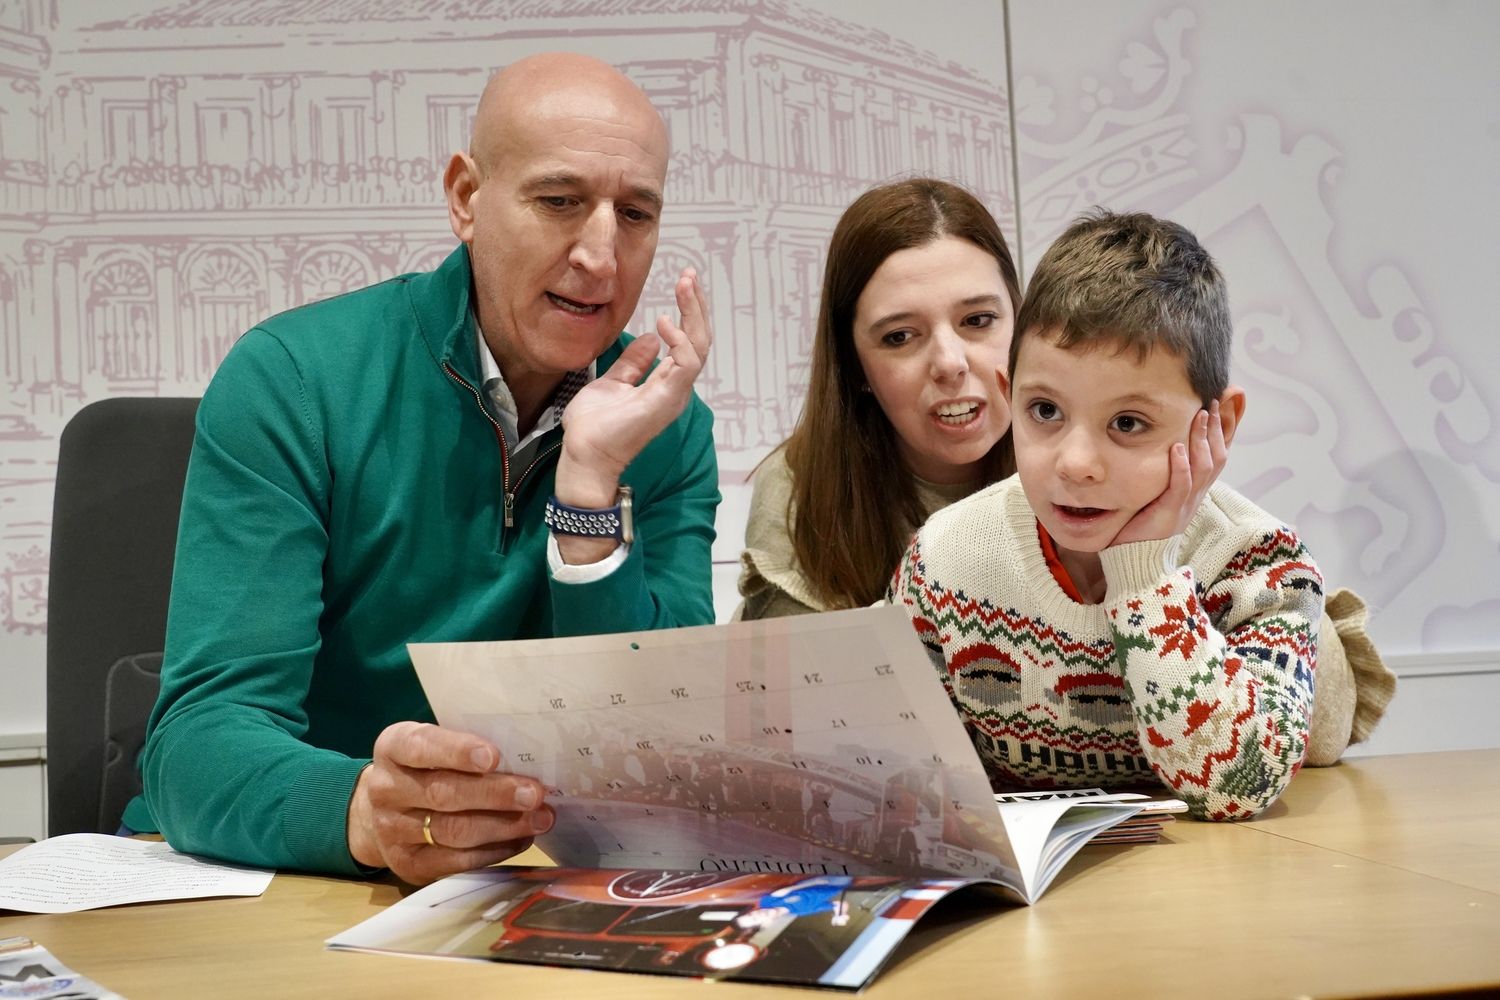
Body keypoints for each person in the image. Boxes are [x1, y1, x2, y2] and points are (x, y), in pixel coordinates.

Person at [127, 53, 720, 884]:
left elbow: (662, 748)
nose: (602, 254)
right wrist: (364, 814)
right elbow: (198, 741)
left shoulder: (670, 427)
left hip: (539, 888)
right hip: (292, 882)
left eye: (636, 213)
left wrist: (587, 493)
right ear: (467, 198)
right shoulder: (293, 378)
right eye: (560, 201)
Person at [893, 208, 1337, 819]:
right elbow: (900, 770)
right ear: (1007, 392)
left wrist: (1145, 573)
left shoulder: (1259, 564)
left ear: (1220, 424)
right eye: (1045, 411)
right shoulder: (943, 559)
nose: (1076, 463)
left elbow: (1237, 787)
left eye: (1127, 423)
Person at [736, 179, 1020, 619]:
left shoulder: (1088, 461)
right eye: (900, 336)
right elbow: (795, 685)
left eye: (978, 320)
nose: (949, 363)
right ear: (854, 365)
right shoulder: (801, 487)